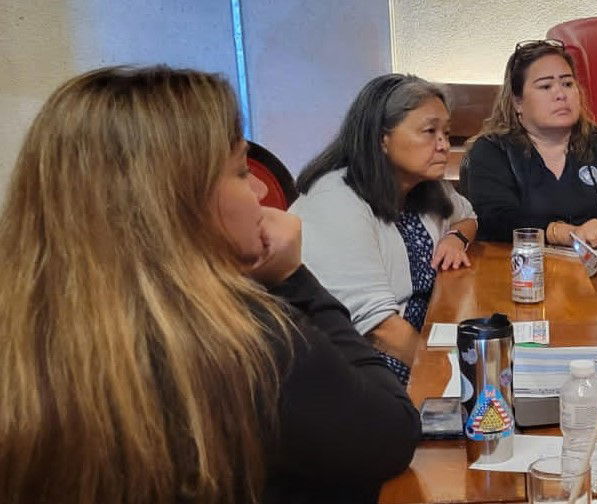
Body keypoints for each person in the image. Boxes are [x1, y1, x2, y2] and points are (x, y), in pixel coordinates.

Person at [0, 66, 418, 503]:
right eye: (240, 171)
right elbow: (391, 433)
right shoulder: (249, 344)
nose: (260, 190)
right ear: (175, 200)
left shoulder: (28, 339)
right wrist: (294, 279)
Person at [292, 74, 477, 384]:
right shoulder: (335, 199)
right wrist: (451, 377)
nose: (444, 145)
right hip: (361, 367)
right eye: (429, 132)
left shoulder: (423, 184)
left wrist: (455, 238)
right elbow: (379, 328)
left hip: (422, 338)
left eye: (446, 132)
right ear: (382, 138)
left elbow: (467, 217)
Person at [462, 39, 597, 247]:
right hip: (519, 264)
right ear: (517, 102)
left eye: (567, 84)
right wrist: (565, 233)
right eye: (546, 86)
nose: (561, 95)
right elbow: (496, 219)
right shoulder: (492, 150)